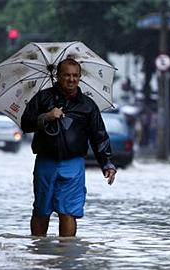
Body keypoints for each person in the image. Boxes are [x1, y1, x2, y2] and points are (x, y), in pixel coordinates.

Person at [21, 58, 116, 237]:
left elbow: (99, 136)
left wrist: (107, 163)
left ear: (80, 77)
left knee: (68, 212)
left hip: (73, 163)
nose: (71, 79)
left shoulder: (88, 106)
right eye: (66, 75)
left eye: (75, 76)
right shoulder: (43, 98)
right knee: (42, 210)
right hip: (46, 161)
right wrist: (47, 116)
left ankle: (66, 257)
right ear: (58, 76)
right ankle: (38, 252)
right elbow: (25, 124)